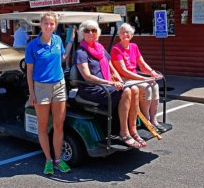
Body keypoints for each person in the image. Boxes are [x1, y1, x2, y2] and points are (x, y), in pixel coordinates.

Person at [74, 20, 146, 149]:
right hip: (91, 88)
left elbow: (111, 67)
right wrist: (111, 83)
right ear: (82, 33)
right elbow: (87, 76)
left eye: (94, 30)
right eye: (87, 30)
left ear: (97, 33)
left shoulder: (100, 48)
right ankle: (124, 133)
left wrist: (119, 81)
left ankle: (133, 129)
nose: (91, 33)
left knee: (134, 89)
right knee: (127, 91)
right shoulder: (81, 52)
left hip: (105, 85)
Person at [25, 11, 74, 175]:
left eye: (52, 23)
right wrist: (31, 93)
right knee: (43, 126)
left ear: (55, 25)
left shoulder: (58, 40)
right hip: (41, 88)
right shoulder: (32, 45)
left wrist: (71, 41)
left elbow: (61, 60)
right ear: (41, 24)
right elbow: (29, 72)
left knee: (59, 125)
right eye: (46, 23)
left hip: (59, 85)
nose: (49, 26)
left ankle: (58, 160)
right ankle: (48, 160)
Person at [111, 23, 167, 132]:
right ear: (119, 35)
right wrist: (143, 79)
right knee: (146, 87)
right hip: (124, 78)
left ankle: (154, 120)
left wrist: (152, 72)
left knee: (154, 85)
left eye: (127, 32)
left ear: (132, 35)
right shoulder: (116, 49)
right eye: (122, 32)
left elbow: (142, 64)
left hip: (134, 76)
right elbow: (123, 71)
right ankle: (146, 120)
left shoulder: (134, 46)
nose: (125, 34)